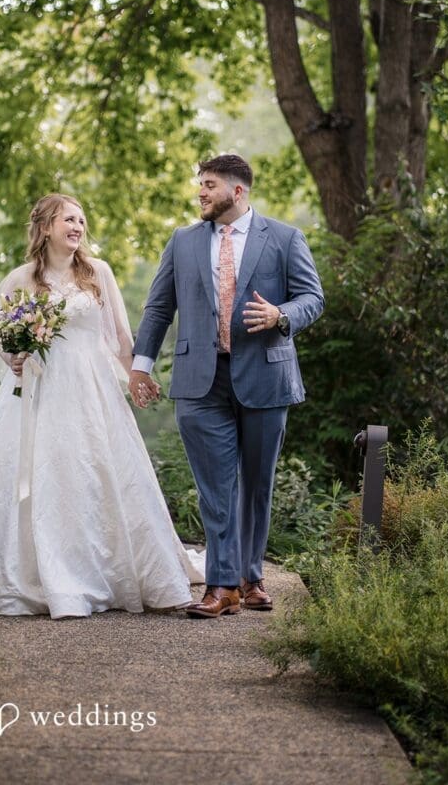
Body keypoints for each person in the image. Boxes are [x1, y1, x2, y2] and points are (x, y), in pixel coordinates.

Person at [0, 193, 204, 619]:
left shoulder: (99, 272)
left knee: (96, 471)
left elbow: (119, 336)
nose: (77, 227)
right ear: (45, 228)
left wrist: (136, 376)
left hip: (93, 390)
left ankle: (107, 571)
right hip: (39, 391)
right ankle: (37, 573)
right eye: (68, 220)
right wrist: (14, 358)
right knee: (43, 474)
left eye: (81, 220)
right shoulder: (22, 278)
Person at [129, 154, 324, 619]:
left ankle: (250, 576)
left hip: (266, 376)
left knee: (256, 485)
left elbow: (313, 298)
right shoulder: (182, 242)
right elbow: (159, 309)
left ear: (238, 191)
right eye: (199, 184)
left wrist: (282, 316)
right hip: (201, 380)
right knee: (216, 488)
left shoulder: (283, 238)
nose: (200, 192)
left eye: (209, 185)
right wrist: (141, 365)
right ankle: (222, 586)